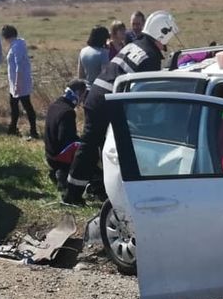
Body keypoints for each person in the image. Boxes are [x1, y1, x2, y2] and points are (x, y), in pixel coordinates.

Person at [63, 10, 179, 205]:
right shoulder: (150, 56)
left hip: (98, 95)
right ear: (161, 34)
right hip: (106, 100)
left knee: (93, 144)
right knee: (92, 144)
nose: (166, 44)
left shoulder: (136, 45)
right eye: (166, 38)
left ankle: (89, 187)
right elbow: (144, 94)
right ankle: (72, 194)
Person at [44, 79, 87, 191]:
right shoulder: (67, 112)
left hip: (49, 154)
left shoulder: (54, 105)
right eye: (83, 96)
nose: (82, 100)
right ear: (77, 93)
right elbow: (66, 139)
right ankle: (65, 175)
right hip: (58, 159)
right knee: (86, 149)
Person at [1, 24, 37, 139]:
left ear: (6, 37)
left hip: (20, 83)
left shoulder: (17, 46)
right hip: (15, 83)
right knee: (14, 105)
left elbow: (19, 66)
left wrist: (17, 83)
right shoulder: (16, 45)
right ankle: (12, 128)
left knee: (27, 106)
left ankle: (33, 131)